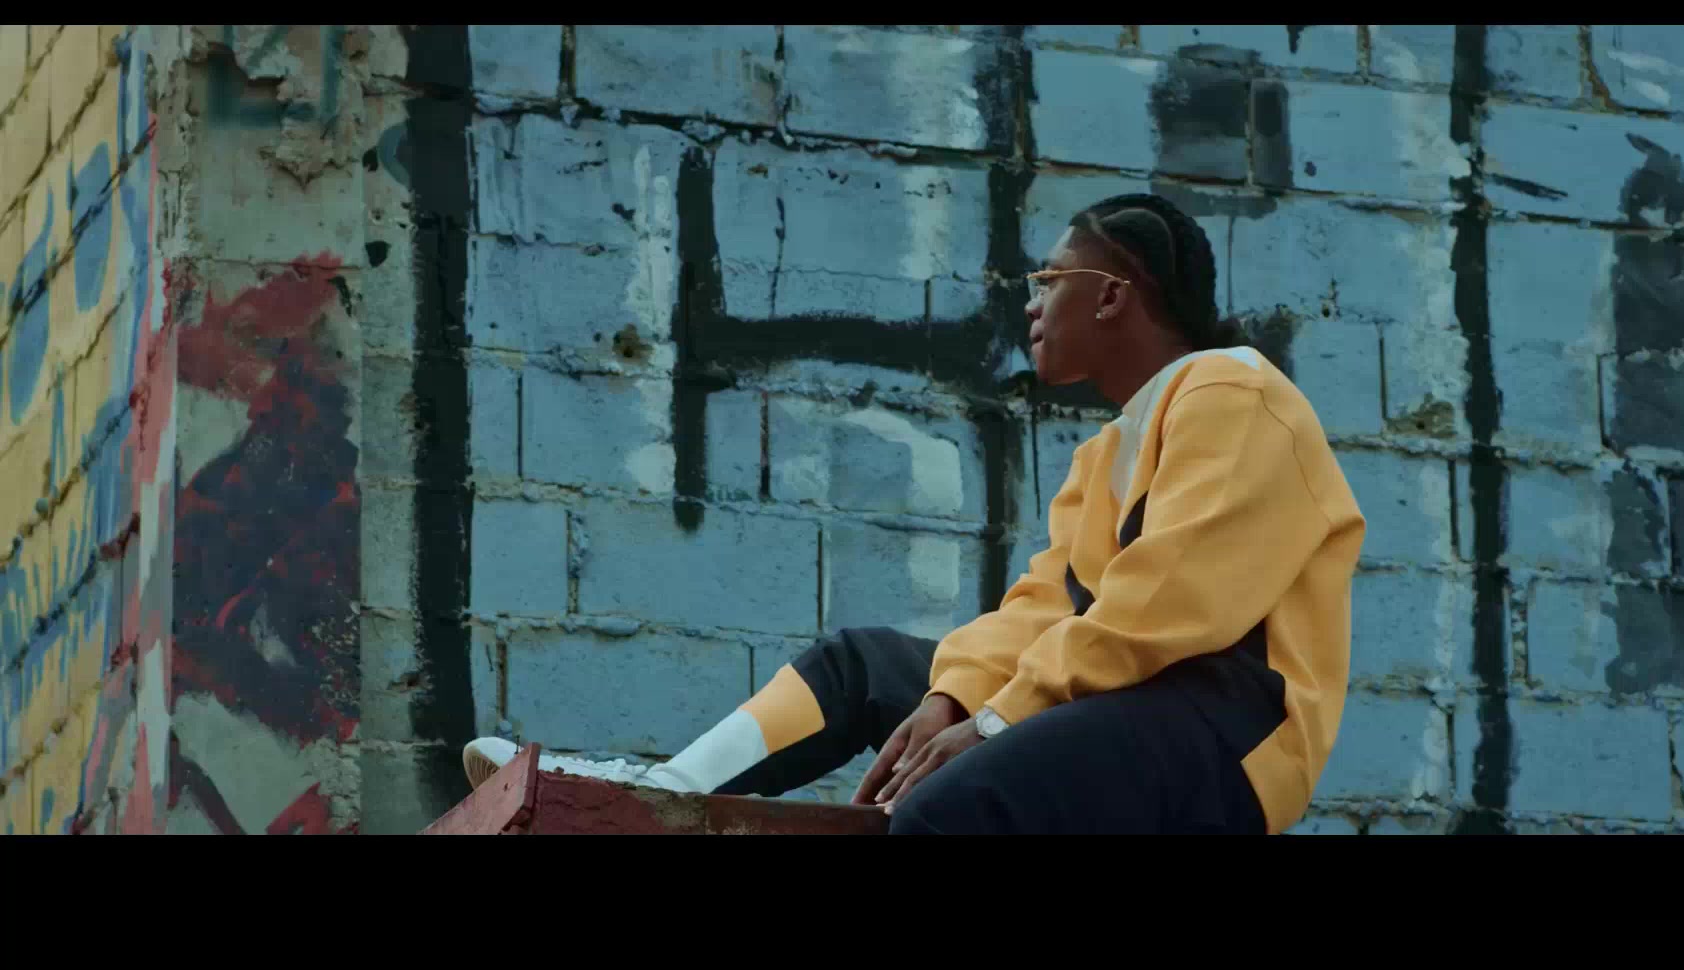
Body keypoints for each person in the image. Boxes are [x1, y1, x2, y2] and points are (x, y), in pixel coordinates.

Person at [462, 193, 1366, 834]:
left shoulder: (1235, 392)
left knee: (945, 807)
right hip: (1124, 702)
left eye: (1048, 278)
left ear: (1110, 293)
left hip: (1226, 732)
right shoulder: (1105, 455)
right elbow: (1040, 612)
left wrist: (999, 721)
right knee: (865, 669)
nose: (1030, 302)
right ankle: (659, 795)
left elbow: (1171, 603)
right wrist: (953, 699)